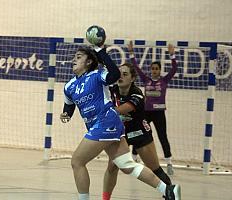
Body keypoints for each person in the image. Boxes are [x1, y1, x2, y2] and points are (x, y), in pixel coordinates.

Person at [60, 39, 181, 200]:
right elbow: (69, 105)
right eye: (74, 57)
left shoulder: (97, 75)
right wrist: (66, 114)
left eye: (79, 57)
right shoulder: (69, 86)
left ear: (88, 62)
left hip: (105, 121)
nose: (74, 59)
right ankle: (168, 190)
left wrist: (99, 49)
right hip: (102, 125)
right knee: (126, 165)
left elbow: (115, 74)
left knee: (77, 161)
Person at [102, 62, 172, 200]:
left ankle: (171, 193)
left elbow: (120, 110)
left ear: (132, 78)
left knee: (155, 169)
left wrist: (99, 112)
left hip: (140, 133)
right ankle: (105, 198)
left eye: (125, 74)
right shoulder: (112, 90)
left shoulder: (137, 94)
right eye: (119, 73)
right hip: (122, 134)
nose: (120, 76)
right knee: (111, 168)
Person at [128, 41, 178, 175]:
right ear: (150, 70)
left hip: (159, 113)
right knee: (139, 132)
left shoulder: (164, 81)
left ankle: (168, 163)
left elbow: (174, 69)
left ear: (160, 70)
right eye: (153, 68)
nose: (154, 70)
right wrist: (131, 53)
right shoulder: (146, 80)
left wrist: (172, 55)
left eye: (157, 68)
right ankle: (133, 158)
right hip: (146, 113)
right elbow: (136, 68)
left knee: (162, 136)